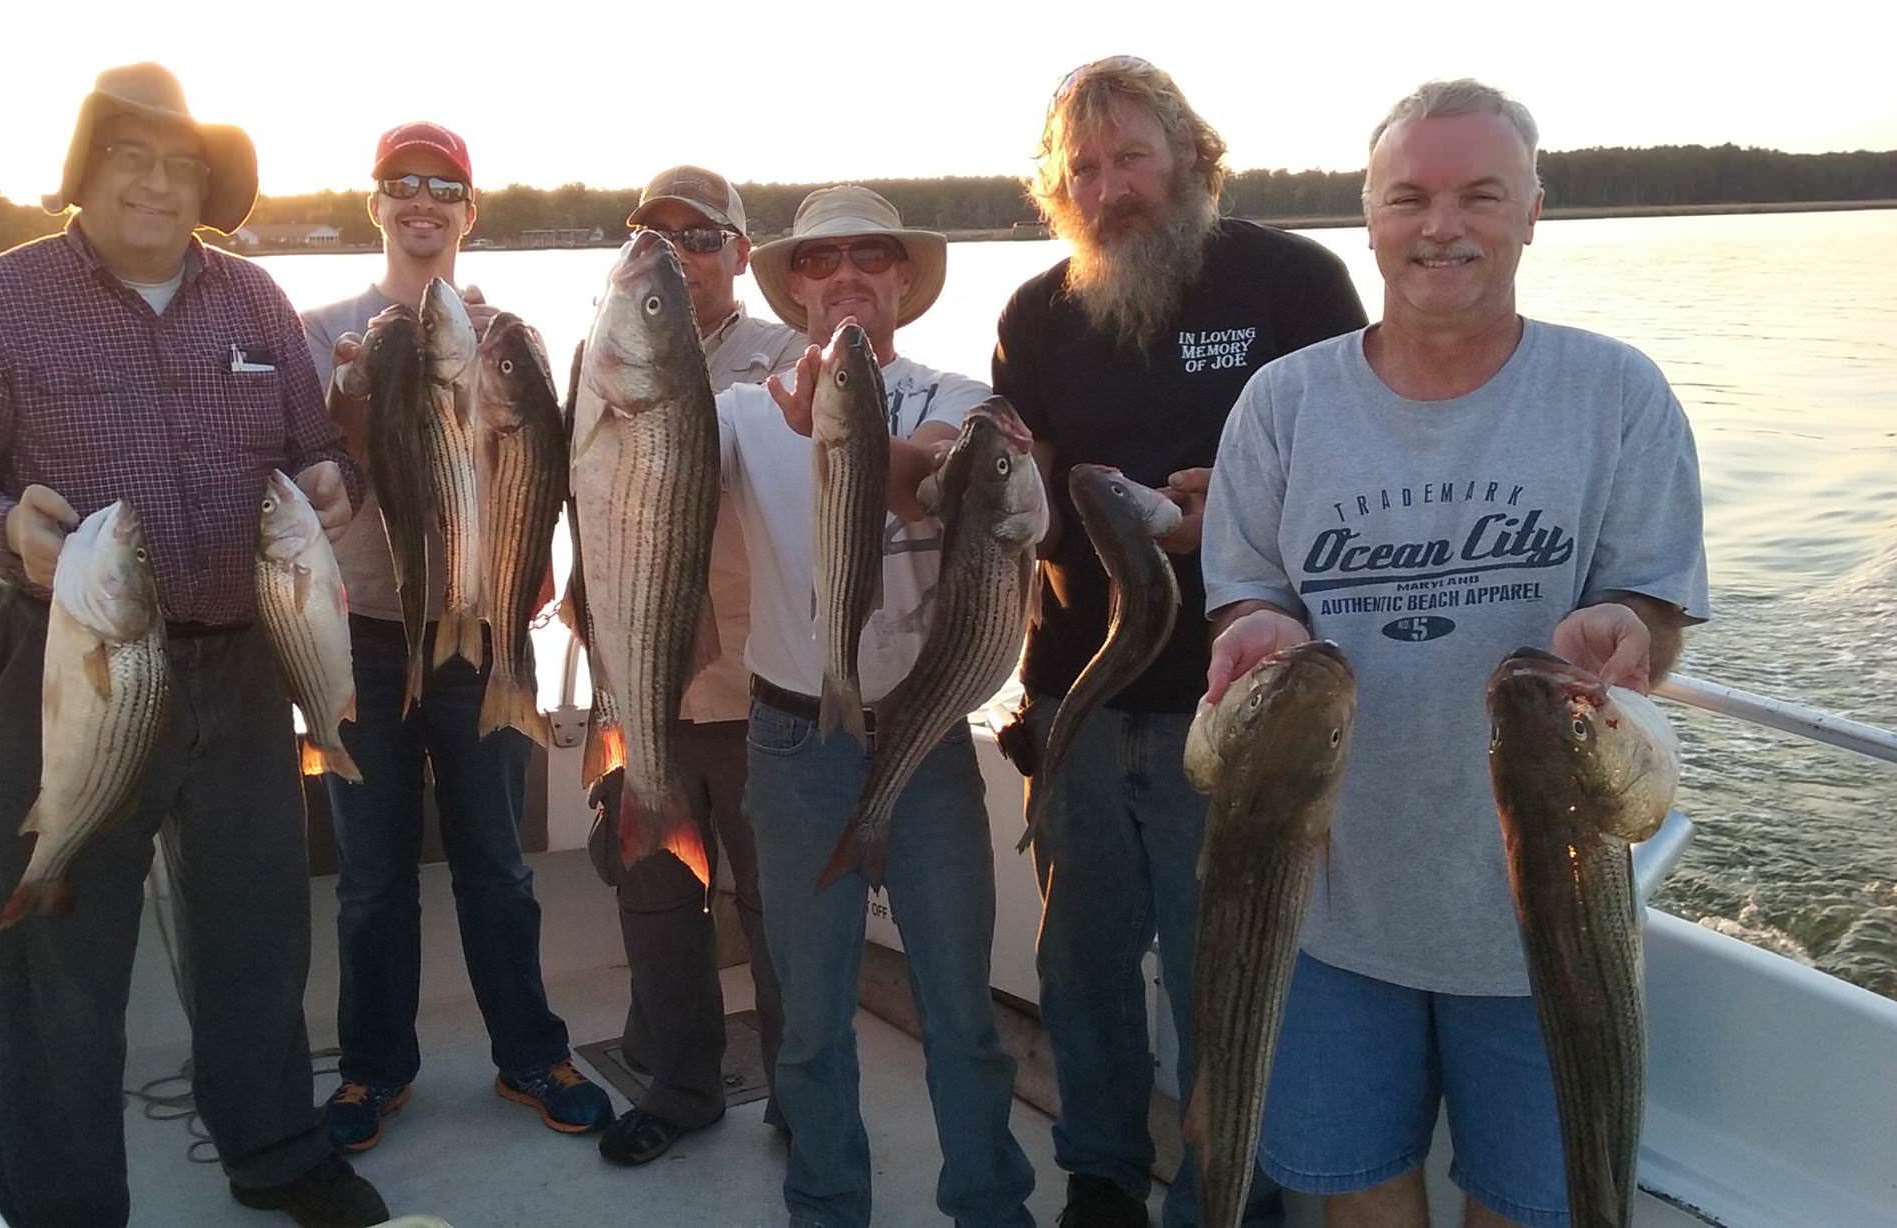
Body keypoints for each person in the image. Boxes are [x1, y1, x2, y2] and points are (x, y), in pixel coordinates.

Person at [1199, 80, 1709, 1228]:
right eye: (1409, 197)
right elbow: (1244, 597)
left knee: (1532, 1207)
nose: (1441, 225)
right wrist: (1256, 632)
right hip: (1322, 899)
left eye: (1479, 194)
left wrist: (1628, 626)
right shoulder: (1278, 405)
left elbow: (1656, 602)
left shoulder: (1613, 390)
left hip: (1546, 918)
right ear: (1367, 218)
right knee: (1355, 1192)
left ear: (1531, 210)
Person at [0, 63, 389, 1228]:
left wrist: (333, 479)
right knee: (58, 950)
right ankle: (59, 1200)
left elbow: (323, 452)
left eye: (181, 166)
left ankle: (273, 1151)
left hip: (242, 660)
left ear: (206, 186)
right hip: (74, 663)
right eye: (132, 158)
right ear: (85, 170)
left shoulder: (258, 302)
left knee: (257, 933)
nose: (157, 185)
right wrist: (3, 529)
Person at [992, 55, 1366, 1228]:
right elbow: (1026, 503)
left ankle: (1234, 1195)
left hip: (1241, 710)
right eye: (1082, 169)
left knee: (1232, 981)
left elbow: (1362, 473)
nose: (1107, 189)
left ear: (1191, 159)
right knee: (1081, 971)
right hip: (1080, 709)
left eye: (1130, 159)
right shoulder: (1033, 315)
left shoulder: (1293, 282)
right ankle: (1100, 1180)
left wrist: (1242, 518)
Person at [298, 121, 615, 1155]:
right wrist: (353, 396)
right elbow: (305, 482)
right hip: (364, 634)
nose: (422, 201)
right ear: (375, 204)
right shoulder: (317, 332)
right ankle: (370, 1071)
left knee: (497, 861)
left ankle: (532, 1053)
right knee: (371, 874)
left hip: (483, 631)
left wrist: (535, 577)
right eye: (402, 183)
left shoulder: (504, 336)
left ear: (469, 212)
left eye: (444, 186)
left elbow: (541, 479)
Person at [724, 184, 1036, 1227]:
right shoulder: (738, 412)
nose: (845, 273)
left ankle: (988, 1204)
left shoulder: (958, 395)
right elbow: (632, 468)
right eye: (818, 260)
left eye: (869, 253)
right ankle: (824, 1204)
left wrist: (850, 436)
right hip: (791, 738)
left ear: (902, 277)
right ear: (792, 286)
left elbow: (947, 473)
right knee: (810, 1020)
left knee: (962, 1011)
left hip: (927, 729)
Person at [585, 165, 799, 1166]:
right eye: (655, 236)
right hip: (639, 679)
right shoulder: (603, 352)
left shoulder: (790, 355)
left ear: (742, 254)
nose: (678, 254)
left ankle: (804, 1093)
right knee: (657, 894)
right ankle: (679, 1085)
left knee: (775, 902)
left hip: (759, 683)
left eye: (701, 238)